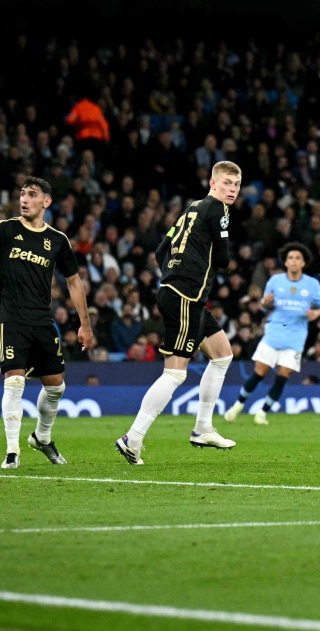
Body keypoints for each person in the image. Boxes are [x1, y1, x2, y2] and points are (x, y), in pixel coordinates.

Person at [0, 177, 95, 469]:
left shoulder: (58, 240)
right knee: (15, 381)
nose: (24, 199)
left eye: (31, 195)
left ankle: (42, 438)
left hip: (42, 320)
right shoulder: (4, 229)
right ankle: (12, 451)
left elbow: (74, 282)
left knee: (56, 387)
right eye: (22, 194)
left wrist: (85, 324)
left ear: (46, 202)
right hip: (10, 318)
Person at [115, 161, 243, 465]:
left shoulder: (192, 208)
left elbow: (162, 249)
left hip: (181, 294)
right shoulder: (218, 211)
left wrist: (171, 275)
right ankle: (132, 438)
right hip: (186, 295)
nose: (232, 190)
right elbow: (223, 259)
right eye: (226, 183)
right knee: (174, 372)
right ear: (213, 183)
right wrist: (185, 277)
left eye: (236, 185)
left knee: (223, 354)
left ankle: (202, 427)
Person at [224, 242, 320, 425]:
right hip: (274, 334)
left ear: (303, 263)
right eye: (291, 258)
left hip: (296, 338)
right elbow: (265, 306)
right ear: (286, 262)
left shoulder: (312, 284)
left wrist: (317, 313)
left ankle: (262, 413)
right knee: (260, 373)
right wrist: (266, 302)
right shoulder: (275, 281)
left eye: (298, 258)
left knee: (283, 375)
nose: (294, 261)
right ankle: (238, 405)